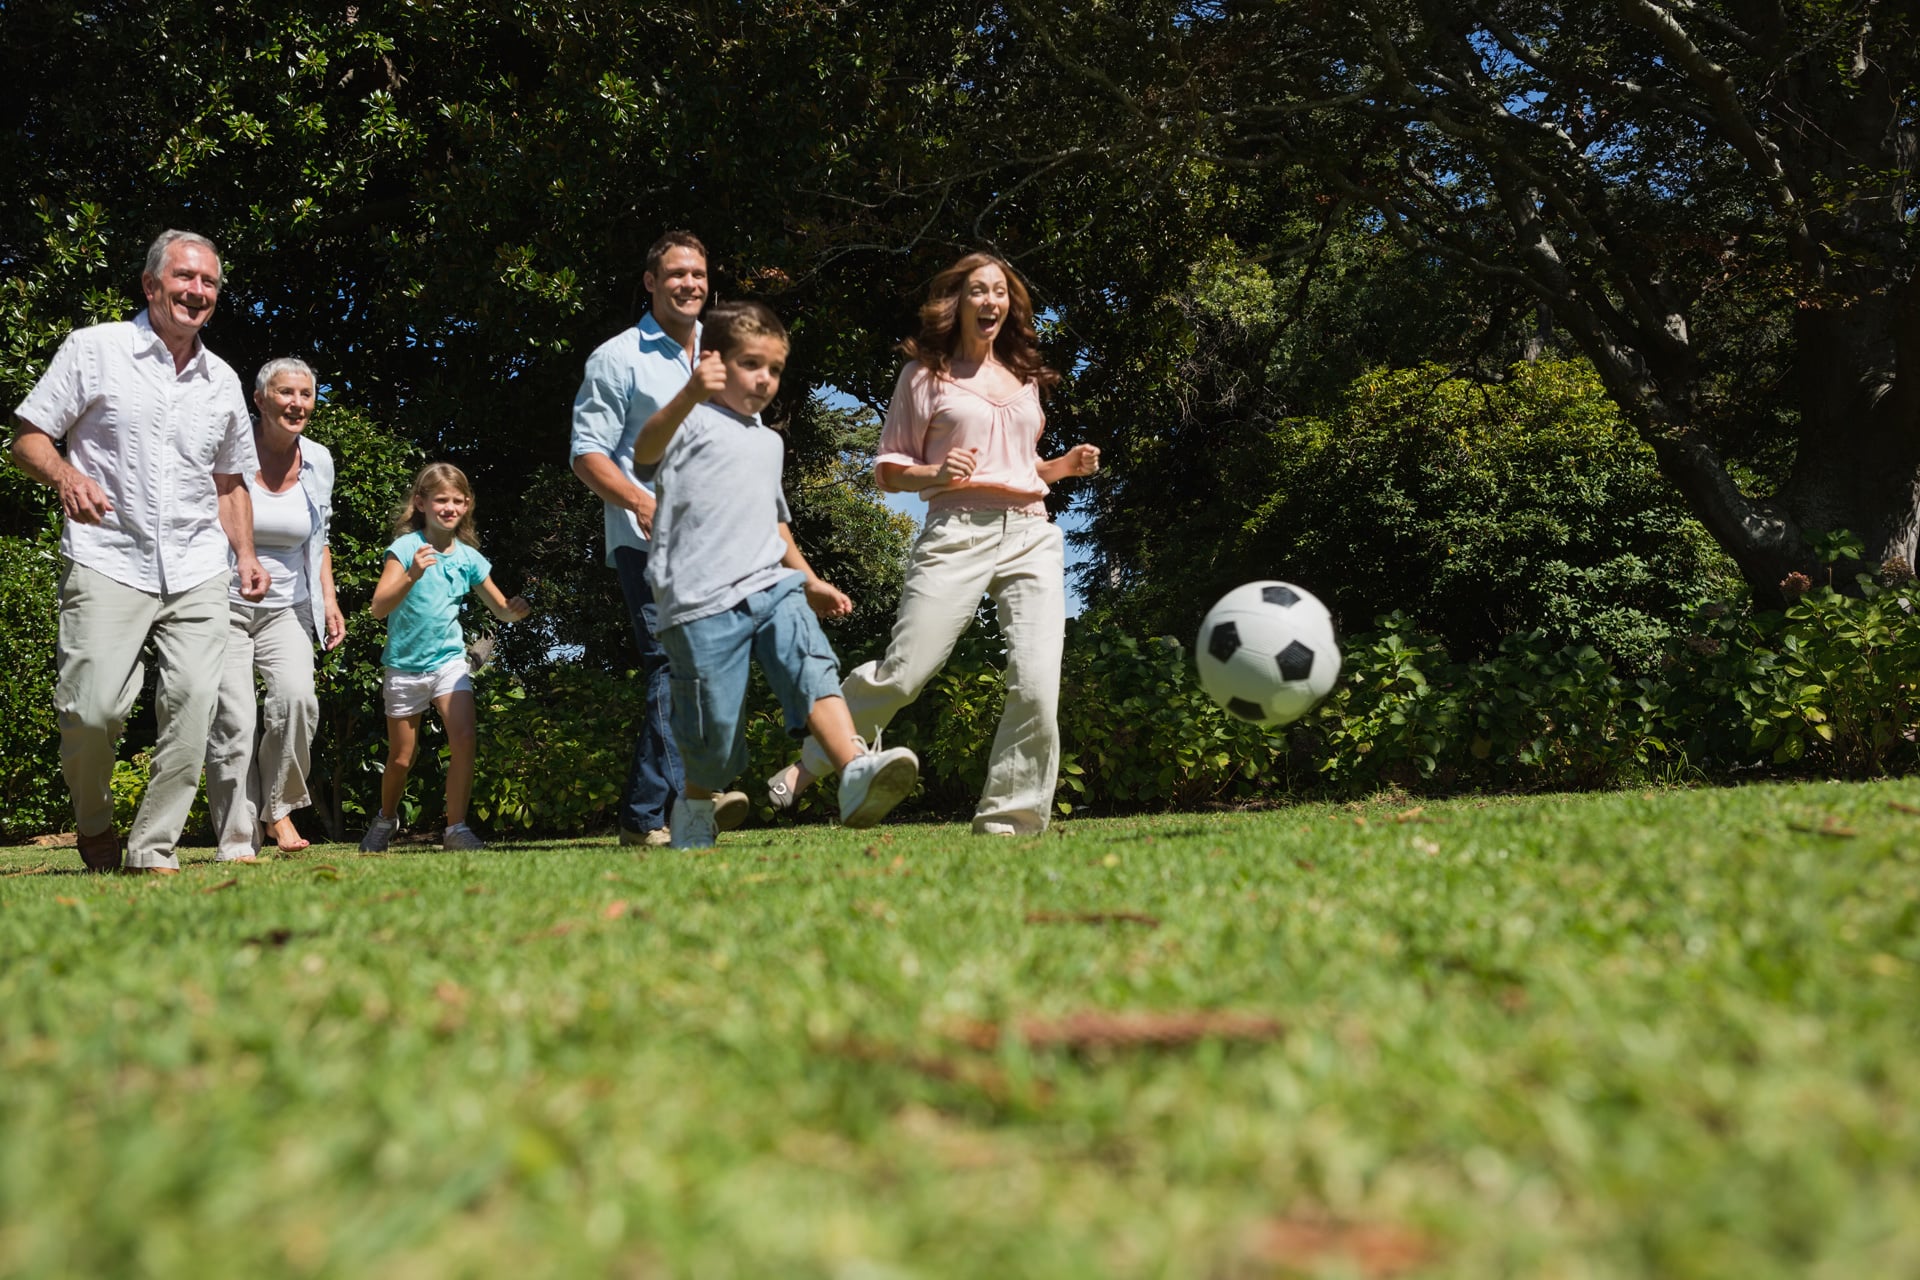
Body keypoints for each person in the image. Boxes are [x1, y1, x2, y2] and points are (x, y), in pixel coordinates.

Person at [769, 252, 1099, 836]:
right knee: (906, 671)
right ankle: (819, 758)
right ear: (959, 303)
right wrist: (937, 474)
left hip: (1030, 531)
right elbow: (889, 469)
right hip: (957, 531)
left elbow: (1017, 469)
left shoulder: (1023, 382)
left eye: (1000, 292)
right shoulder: (925, 376)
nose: (990, 301)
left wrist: (1062, 467)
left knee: (1037, 679)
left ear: (1010, 306)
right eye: (978, 291)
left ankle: (1008, 822)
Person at [9, 229, 270, 874]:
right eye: (185, 278)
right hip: (107, 557)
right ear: (152, 285)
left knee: (194, 709)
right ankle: (93, 821)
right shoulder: (94, 349)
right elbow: (28, 438)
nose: (197, 292)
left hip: (198, 565)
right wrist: (67, 477)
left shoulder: (223, 381)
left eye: (209, 282)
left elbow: (231, 483)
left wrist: (245, 555)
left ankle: (152, 847)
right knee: (91, 710)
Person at [633, 300, 920, 849]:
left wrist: (808, 580)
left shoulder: (768, 441)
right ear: (712, 361)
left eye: (775, 369)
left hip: (769, 582)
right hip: (698, 601)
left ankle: (853, 769)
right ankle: (694, 803)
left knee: (809, 659)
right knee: (713, 736)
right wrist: (691, 392)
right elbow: (645, 453)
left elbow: (776, 525)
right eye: (751, 365)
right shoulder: (687, 418)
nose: (765, 379)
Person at [570, 230, 747, 847]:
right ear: (651, 282)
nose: (689, 284)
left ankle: (645, 814)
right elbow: (587, 454)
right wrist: (640, 500)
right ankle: (698, 798)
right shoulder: (617, 358)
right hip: (646, 537)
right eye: (676, 274)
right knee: (672, 664)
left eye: (697, 274)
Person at [203, 358, 345, 862]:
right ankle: (238, 837)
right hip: (223, 601)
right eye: (286, 393)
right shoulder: (229, 454)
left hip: (289, 606)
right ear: (259, 400)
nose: (297, 403)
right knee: (234, 720)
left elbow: (319, 538)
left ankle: (279, 806)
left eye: (305, 394)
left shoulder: (319, 461)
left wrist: (328, 599)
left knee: (297, 701)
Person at [360, 463, 530, 853]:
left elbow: (499, 607)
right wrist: (412, 574)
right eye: (441, 500)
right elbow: (378, 608)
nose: (449, 507)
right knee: (402, 758)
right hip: (403, 666)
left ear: (467, 505)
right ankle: (386, 819)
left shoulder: (469, 558)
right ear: (421, 503)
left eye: (457, 500)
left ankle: (456, 829)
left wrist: (513, 610)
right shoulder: (406, 549)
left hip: (449, 663)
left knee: (465, 739)